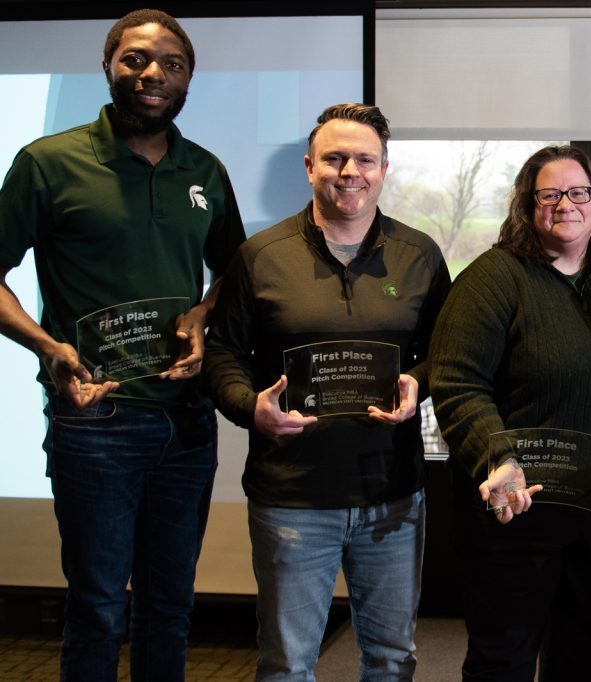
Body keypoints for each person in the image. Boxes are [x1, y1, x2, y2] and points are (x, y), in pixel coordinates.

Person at [0, 9, 244, 680]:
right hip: (95, 418)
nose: (152, 74)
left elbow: (236, 275)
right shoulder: (48, 163)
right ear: (107, 66)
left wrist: (201, 314)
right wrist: (46, 346)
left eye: (170, 63)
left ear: (188, 77)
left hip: (187, 420)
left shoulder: (205, 169)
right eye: (135, 59)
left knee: (169, 607)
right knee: (100, 608)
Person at [203, 103, 450, 681]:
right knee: (287, 664)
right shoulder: (261, 256)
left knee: (391, 661)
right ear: (309, 166)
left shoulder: (420, 256)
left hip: (391, 496)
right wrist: (250, 408)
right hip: (292, 498)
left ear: (385, 168)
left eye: (365, 159)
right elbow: (223, 355)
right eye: (335, 158)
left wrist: (423, 380)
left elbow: (449, 351)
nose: (350, 171)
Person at [429, 145, 591, 681]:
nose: (565, 204)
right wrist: (497, 457)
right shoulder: (493, 278)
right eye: (549, 194)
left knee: (578, 651)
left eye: (578, 192)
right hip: (516, 509)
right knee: (502, 657)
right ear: (528, 207)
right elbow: (457, 382)